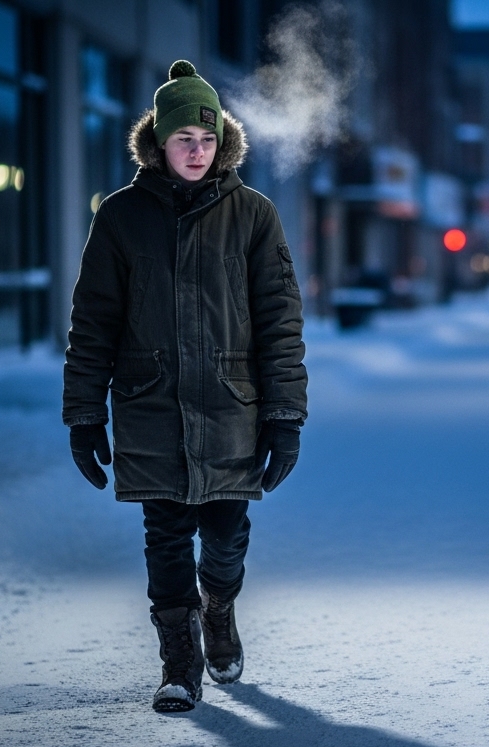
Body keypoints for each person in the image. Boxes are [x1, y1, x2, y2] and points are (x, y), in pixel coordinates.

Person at [62, 60, 307, 713]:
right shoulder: (120, 218)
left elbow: (281, 322)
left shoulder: (254, 216)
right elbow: (94, 324)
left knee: (225, 533)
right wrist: (84, 416)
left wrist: (285, 416)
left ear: (220, 141)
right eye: (183, 140)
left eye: (205, 140)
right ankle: (179, 662)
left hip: (232, 408)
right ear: (159, 142)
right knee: (165, 535)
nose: (195, 151)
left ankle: (219, 607)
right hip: (151, 408)